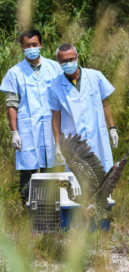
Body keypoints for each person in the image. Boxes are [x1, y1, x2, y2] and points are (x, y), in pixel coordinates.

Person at [0, 29, 64, 202]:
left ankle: (50, 209)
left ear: (41, 45)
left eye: (35, 45)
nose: (31, 48)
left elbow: (64, 97)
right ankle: (26, 211)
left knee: (51, 169)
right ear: (21, 47)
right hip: (27, 128)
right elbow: (12, 104)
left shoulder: (54, 67)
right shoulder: (15, 72)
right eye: (27, 45)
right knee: (27, 172)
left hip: (52, 126)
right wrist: (14, 132)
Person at [47, 43, 118, 172]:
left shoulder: (95, 76)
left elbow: (104, 103)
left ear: (77, 58)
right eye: (64, 61)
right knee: (78, 180)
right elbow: (56, 116)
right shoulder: (55, 86)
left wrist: (112, 127)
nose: (68, 64)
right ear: (58, 62)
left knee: (104, 177)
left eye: (71, 59)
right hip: (74, 140)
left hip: (97, 135)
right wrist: (57, 144)